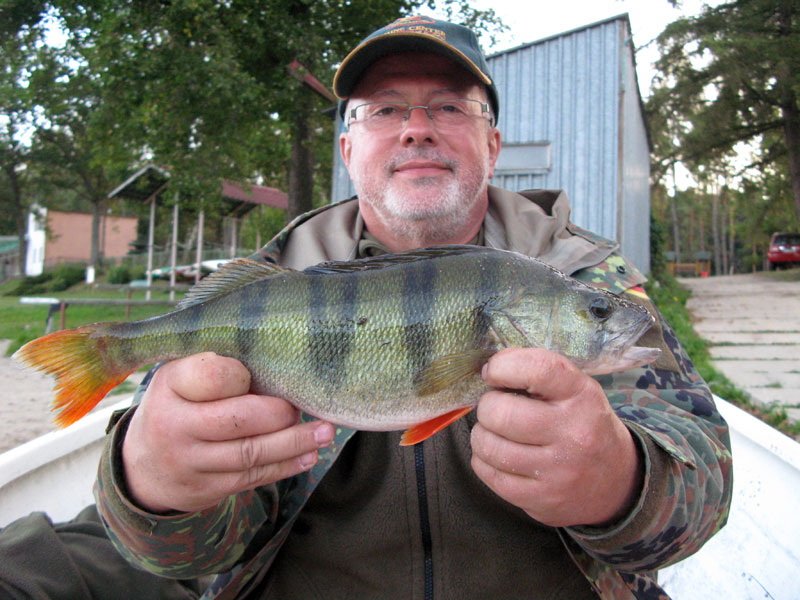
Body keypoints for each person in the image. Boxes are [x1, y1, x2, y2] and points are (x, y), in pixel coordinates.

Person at [47, 16, 730, 600]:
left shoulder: (582, 278)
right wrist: (153, 490)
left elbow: (706, 484)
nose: (416, 130)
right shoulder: (267, 290)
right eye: (384, 109)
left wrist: (621, 482)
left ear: (492, 146)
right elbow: (184, 557)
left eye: (449, 107)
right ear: (348, 150)